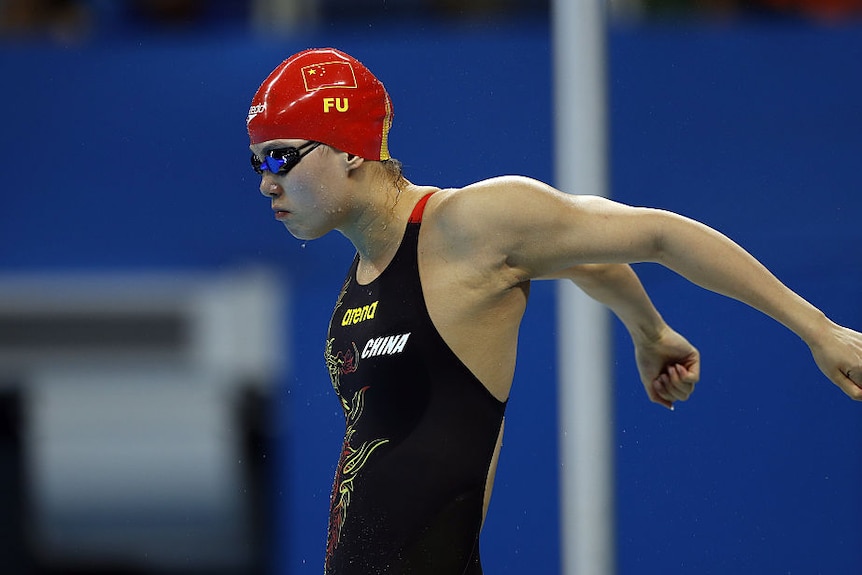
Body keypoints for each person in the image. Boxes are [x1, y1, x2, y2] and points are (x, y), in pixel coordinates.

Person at [246, 47, 862, 575]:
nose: (266, 182)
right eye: (256, 163)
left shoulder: (472, 224)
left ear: (349, 147)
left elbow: (659, 235)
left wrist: (819, 330)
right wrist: (649, 331)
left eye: (279, 157)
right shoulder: (361, 280)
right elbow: (586, 266)